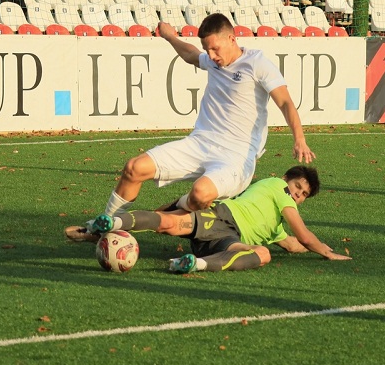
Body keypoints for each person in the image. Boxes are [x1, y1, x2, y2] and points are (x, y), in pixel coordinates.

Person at [65, 13, 315, 240]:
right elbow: (191, 55)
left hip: (236, 156)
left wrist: (299, 139)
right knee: (134, 168)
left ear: (232, 38)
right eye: (209, 50)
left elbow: (285, 102)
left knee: (200, 194)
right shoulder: (213, 60)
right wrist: (170, 36)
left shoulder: (257, 64)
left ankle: (170, 210)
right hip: (201, 142)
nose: (213, 56)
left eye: (216, 49)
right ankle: (103, 230)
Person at [68, 166, 351, 273]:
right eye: (297, 187)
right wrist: (327, 252)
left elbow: (293, 244)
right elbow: (302, 235)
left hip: (227, 240)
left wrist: (317, 248)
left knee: (263, 253)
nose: (297, 195)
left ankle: (193, 264)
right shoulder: (276, 186)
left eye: (302, 195)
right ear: (286, 178)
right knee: (167, 222)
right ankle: (109, 223)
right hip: (223, 217)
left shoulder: (275, 225)